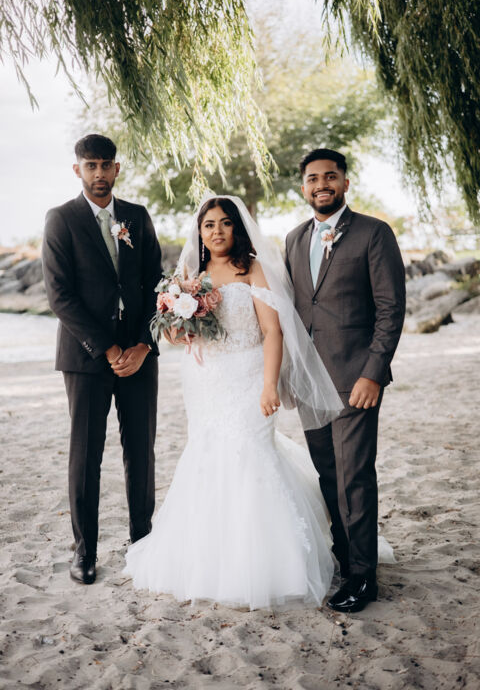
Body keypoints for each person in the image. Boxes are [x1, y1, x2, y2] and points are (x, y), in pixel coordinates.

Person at [123, 195, 345, 610]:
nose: (217, 231)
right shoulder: (189, 275)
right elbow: (177, 336)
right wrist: (177, 324)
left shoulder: (252, 268)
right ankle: (209, 558)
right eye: (209, 225)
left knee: (251, 453)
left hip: (248, 376)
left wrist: (269, 386)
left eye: (225, 223)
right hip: (205, 379)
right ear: (200, 232)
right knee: (207, 454)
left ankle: (265, 561)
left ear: (237, 228)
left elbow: (273, 331)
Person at [285, 148, 406, 612]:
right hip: (309, 382)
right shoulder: (294, 239)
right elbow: (293, 311)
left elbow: (390, 309)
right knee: (328, 474)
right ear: (303, 187)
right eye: (313, 178)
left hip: (355, 379)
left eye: (330, 176)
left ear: (345, 183)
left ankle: (362, 577)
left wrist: (373, 373)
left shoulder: (374, 233)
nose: (322, 185)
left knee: (355, 476)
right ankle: (344, 558)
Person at [42, 134, 163, 585]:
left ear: (117, 169)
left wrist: (144, 345)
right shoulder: (61, 219)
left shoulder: (137, 216)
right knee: (86, 454)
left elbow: (156, 284)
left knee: (141, 452)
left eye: (105, 165)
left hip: (139, 356)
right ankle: (85, 552)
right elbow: (60, 296)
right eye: (90, 165)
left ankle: (143, 544)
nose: (98, 173)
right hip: (87, 357)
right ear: (77, 169)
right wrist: (109, 349)